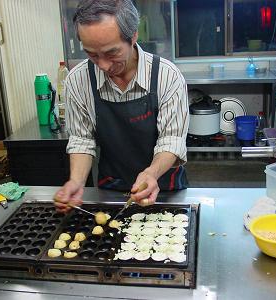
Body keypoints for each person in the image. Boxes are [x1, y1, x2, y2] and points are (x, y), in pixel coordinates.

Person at [54, 0, 189, 213]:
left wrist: (151, 174)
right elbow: (82, 139)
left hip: (164, 189)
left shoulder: (167, 76)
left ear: (133, 36)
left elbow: (171, 140)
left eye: (112, 53)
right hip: (112, 191)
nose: (104, 65)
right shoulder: (78, 80)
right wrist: (76, 181)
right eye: (92, 54)